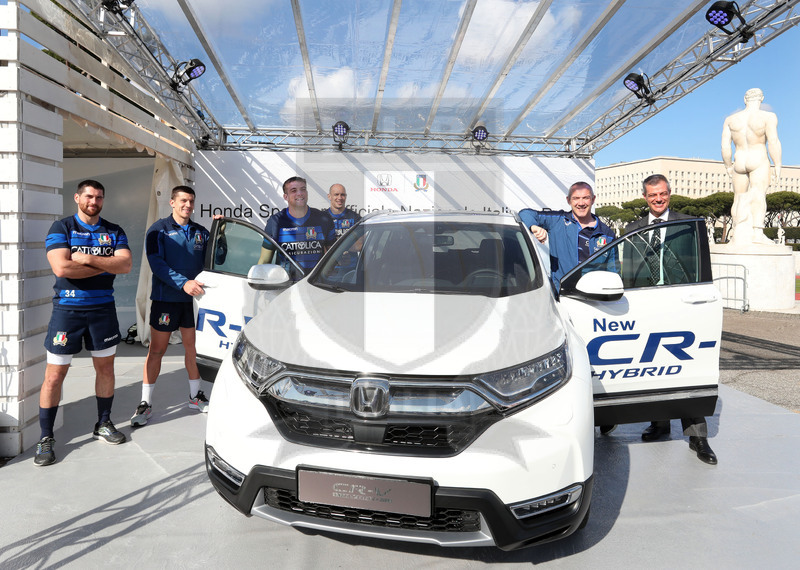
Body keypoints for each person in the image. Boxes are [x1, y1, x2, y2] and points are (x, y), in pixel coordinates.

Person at [36, 180, 132, 466]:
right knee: (55, 375)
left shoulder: (114, 230)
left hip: (103, 310)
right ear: (78, 197)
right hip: (67, 310)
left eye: (99, 197)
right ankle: (45, 437)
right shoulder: (61, 228)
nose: (94, 201)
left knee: (105, 369)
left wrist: (88, 258)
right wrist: (106, 264)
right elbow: (62, 267)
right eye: (89, 196)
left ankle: (103, 423)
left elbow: (126, 265)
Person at [624, 174, 717, 465]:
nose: (658, 199)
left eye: (662, 194)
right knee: (654, 368)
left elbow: (701, 265)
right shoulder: (633, 230)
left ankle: (697, 436)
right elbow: (627, 272)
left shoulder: (688, 225)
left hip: (682, 308)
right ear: (645, 197)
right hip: (646, 308)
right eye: (652, 195)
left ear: (670, 193)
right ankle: (659, 423)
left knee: (687, 369)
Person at [130, 186, 211, 427]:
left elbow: (216, 257)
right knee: (156, 351)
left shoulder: (201, 232)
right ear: (172, 202)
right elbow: (157, 264)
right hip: (167, 299)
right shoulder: (158, 231)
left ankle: (195, 397)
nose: (188, 205)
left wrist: (221, 231)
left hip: (193, 301)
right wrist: (183, 283)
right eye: (183, 200)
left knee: (192, 349)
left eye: (191, 201)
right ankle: (145, 403)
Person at [518, 181, 615, 290]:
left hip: (595, 297)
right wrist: (533, 227)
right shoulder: (557, 220)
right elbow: (525, 213)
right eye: (576, 198)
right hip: (563, 297)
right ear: (568, 200)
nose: (581, 203)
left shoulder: (608, 234)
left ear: (593, 199)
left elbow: (613, 272)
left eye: (586, 198)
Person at [721, 87, 782, 246]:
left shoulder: (731, 119)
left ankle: (736, 233)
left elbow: (725, 147)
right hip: (758, 158)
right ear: (761, 99)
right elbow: (773, 141)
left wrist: (728, 165)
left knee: (738, 197)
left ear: (744, 100)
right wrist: (778, 164)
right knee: (758, 195)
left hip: (739, 160)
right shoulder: (768, 116)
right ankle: (757, 233)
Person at [257, 176, 336, 272]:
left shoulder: (324, 219)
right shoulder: (275, 222)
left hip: (314, 284)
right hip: (286, 284)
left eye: (303, 189)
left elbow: (333, 256)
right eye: (294, 190)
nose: (300, 193)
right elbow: (264, 260)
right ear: (286, 197)